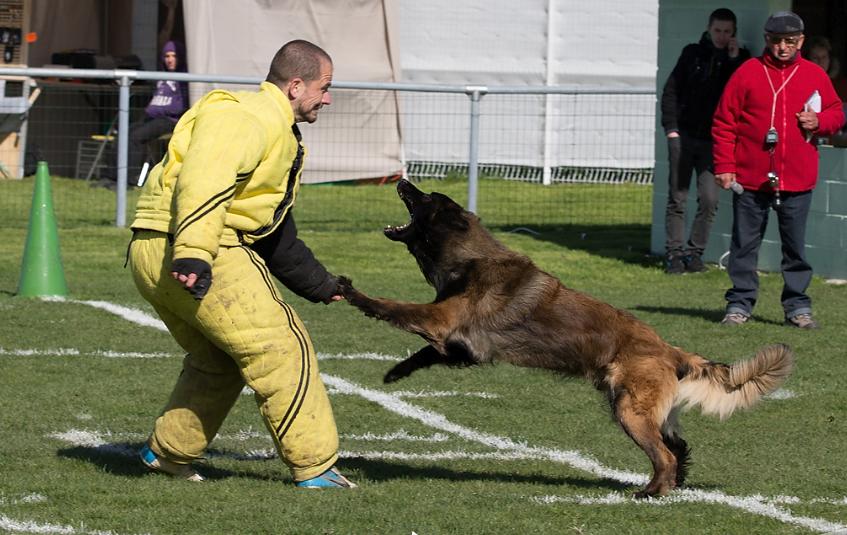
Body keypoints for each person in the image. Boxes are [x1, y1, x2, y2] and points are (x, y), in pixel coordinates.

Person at [128, 40, 356, 488]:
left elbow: (272, 228)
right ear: (295, 85)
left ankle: (168, 453)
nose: (327, 98)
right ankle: (315, 466)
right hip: (197, 246)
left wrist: (318, 283)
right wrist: (194, 251)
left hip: (158, 246)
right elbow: (205, 177)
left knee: (219, 358)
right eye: (324, 87)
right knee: (282, 347)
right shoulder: (248, 118)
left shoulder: (268, 123)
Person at [712, 11, 845, 328]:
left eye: (789, 41)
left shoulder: (814, 74)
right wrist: (724, 166)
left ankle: (797, 307)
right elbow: (724, 122)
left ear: (800, 40)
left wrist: (820, 122)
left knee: (795, 249)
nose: (782, 47)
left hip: (797, 180)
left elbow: (837, 111)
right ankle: (739, 305)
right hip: (750, 179)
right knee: (744, 246)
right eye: (776, 41)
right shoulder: (747, 72)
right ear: (766, 39)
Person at [660, 8, 750, 274]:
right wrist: (671, 130)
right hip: (684, 136)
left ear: (734, 34)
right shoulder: (692, 54)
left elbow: (738, 95)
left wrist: (732, 60)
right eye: (717, 31)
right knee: (678, 198)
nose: (721, 36)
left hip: (715, 142)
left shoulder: (740, 60)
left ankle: (694, 253)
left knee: (710, 199)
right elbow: (671, 91)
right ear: (708, 30)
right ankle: (674, 254)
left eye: (727, 32)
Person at [128, 40, 189, 181]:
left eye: (174, 56)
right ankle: (111, 176)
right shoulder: (161, 77)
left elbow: (179, 107)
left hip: (169, 120)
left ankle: (129, 178)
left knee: (135, 137)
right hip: (152, 117)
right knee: (125, 133)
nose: (170, 60)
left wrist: (157, 110)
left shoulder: (184, 78)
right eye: (167, 56)